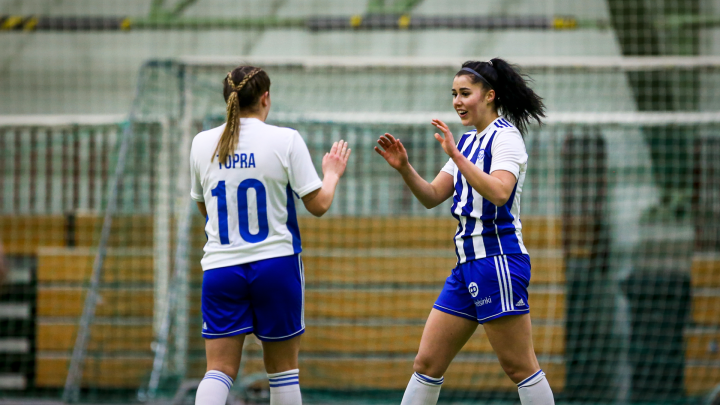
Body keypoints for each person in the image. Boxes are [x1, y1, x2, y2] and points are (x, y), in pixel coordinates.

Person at [375, 58, 554, 405]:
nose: (457, 101)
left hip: (498, 262)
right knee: (426, 363)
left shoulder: (506, 138)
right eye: (454, 93)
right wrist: (405, 168)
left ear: (490, 96)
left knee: (520, 367)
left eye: (465, 93)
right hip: (466, 267)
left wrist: (456, 156)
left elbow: (500, 193)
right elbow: (431, 196)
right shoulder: (468, 143)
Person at [190, 65, 351, 405]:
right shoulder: (285, 139)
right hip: (275, 267)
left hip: (221, 270)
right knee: (283, 372)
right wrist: (332, 173)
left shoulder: (202, 143)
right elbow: (319, 205)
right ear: (265, 98)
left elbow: (205, 208)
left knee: (217, 370)